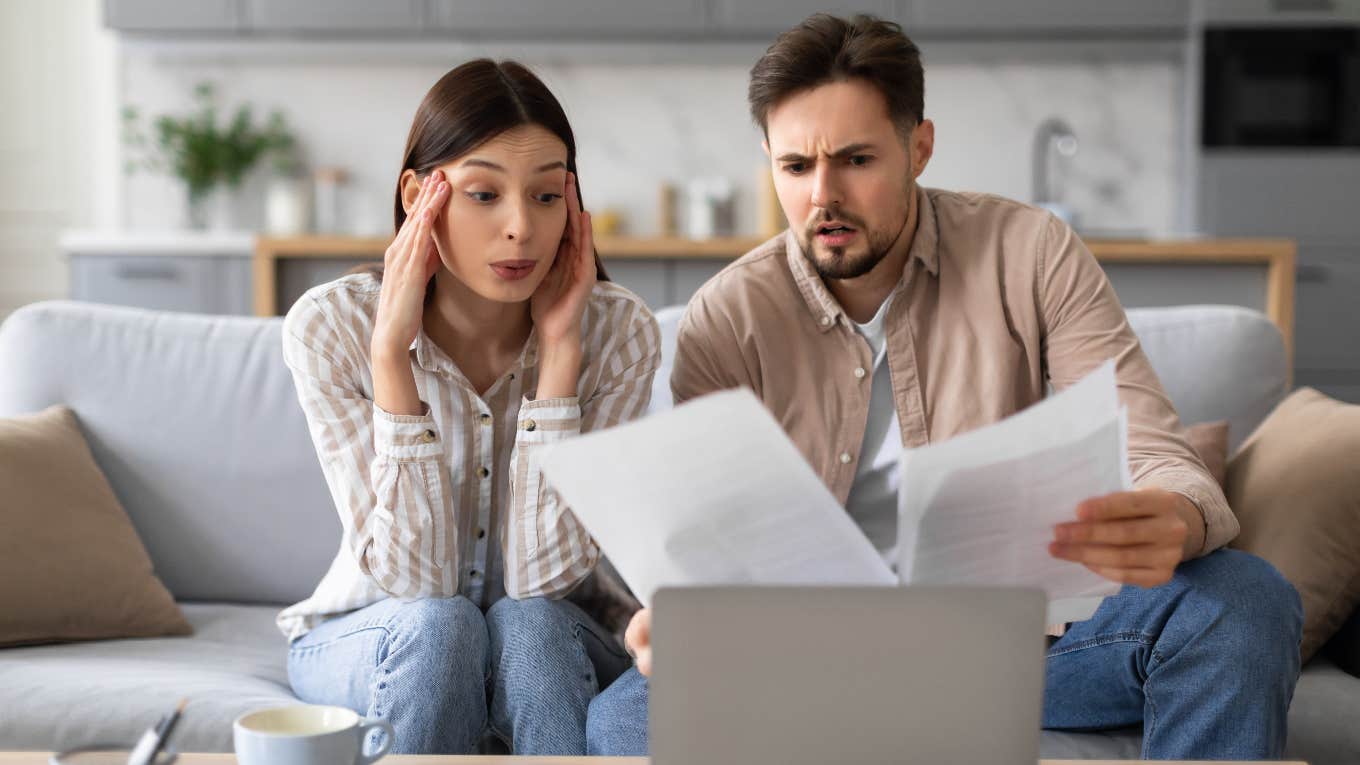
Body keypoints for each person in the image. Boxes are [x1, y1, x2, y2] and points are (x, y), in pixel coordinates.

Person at [586, 14, 1302, 760]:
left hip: (1019, 643)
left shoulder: (1029, 252)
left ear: (918, 146)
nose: (823, 196)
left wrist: (1174, 517)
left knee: (1243, 602)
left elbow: (1150, 440)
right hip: (809, 653)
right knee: (624, 722)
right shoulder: (730, 313)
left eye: (856, 159)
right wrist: (675, 614)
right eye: (795, 167)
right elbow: (704, 542)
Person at [276, 58, 660, 755]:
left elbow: (546, 582)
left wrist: (561, 354)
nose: (521, 227)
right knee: (442, 625)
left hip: (557, 631)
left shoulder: (618, 332)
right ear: (420, 194)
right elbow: (417, 584)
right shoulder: (329, 327)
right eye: (484, 194)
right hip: (377, 630)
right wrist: (392, 359)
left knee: (531, 625)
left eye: (547, 197)